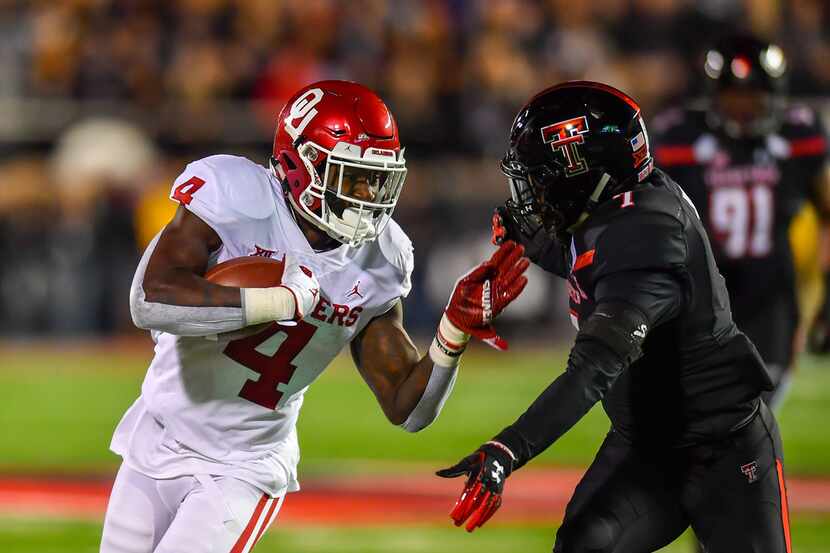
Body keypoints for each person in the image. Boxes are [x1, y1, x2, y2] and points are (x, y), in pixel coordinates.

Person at [100, 80, 529, 553]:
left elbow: (408, 409)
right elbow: (150, 300)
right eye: (353, 176)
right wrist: (277, 301)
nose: (369, 195)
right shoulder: (236, 195)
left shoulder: (380, 257)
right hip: (156, 432)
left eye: (378, 178)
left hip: (241, 465)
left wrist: (452, 331)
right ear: (299, 164)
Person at [438, 81, 791, 553]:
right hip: (645, 449)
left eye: (541, 179)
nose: (531, 193)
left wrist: (507, 449)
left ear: (585, 174)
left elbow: (591, 372)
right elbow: (594, 256)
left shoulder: (649, 234)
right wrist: (530, 243)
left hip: (724, 450)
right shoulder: (614, 207)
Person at [651, 34, 830, 409]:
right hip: (698, 294)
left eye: (755, 96)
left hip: (770, 295)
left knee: (757, 413)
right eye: (735, 96)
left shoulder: (798, 134)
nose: (745, 107)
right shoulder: (678, 138)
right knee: (687, 413)